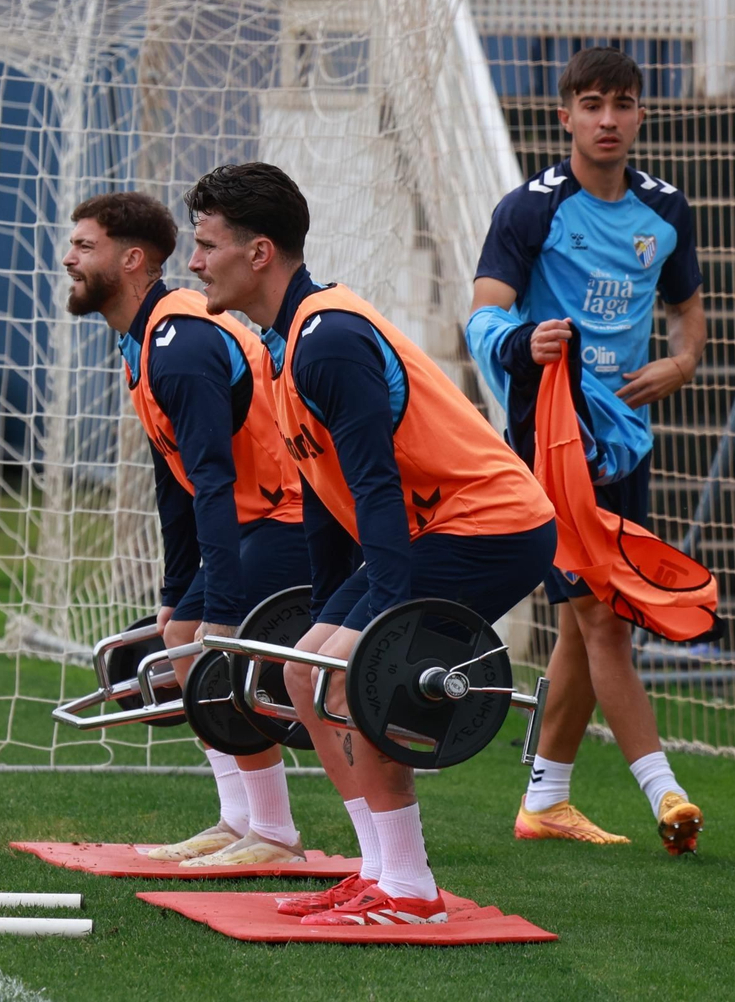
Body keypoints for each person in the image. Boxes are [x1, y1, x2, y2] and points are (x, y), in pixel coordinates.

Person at [184, 163, 557, 925]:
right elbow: (328, 499)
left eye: (206, 244)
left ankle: (413, 892)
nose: (193, 263)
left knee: (353, 676)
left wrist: (377, 628)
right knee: (300, 676)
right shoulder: (286, 345)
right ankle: (382, 871)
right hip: (432, 528)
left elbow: (376, 487)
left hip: (491, 524)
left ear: (259, 253)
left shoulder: (328, 338)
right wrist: (326, 611)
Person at [466, 46, 708, 854]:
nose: (609, 119)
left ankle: (545, 800)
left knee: (584, 628)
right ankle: (665, 792)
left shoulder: (666, 210)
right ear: (563, 115)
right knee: (603, 620)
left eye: (624, 103)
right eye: (593, 104)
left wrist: (679, 363)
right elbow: (481, 316)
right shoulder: (529, 210)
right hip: (550, 444)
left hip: (625, 445)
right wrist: (522, 339)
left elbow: (688, 316)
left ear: (641, 114)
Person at [63, 191, 312, 866]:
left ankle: (277, 836)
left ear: (132, 259)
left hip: (297, 517)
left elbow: (211, 482)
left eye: (85, 247)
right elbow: (174, 489)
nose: (69, 259)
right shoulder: (144, 342)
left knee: (208, 647)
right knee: (179, 633)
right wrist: (178, 591)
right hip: (255, 517)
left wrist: (223, 609)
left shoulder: (180, 341)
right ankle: (243, 821)